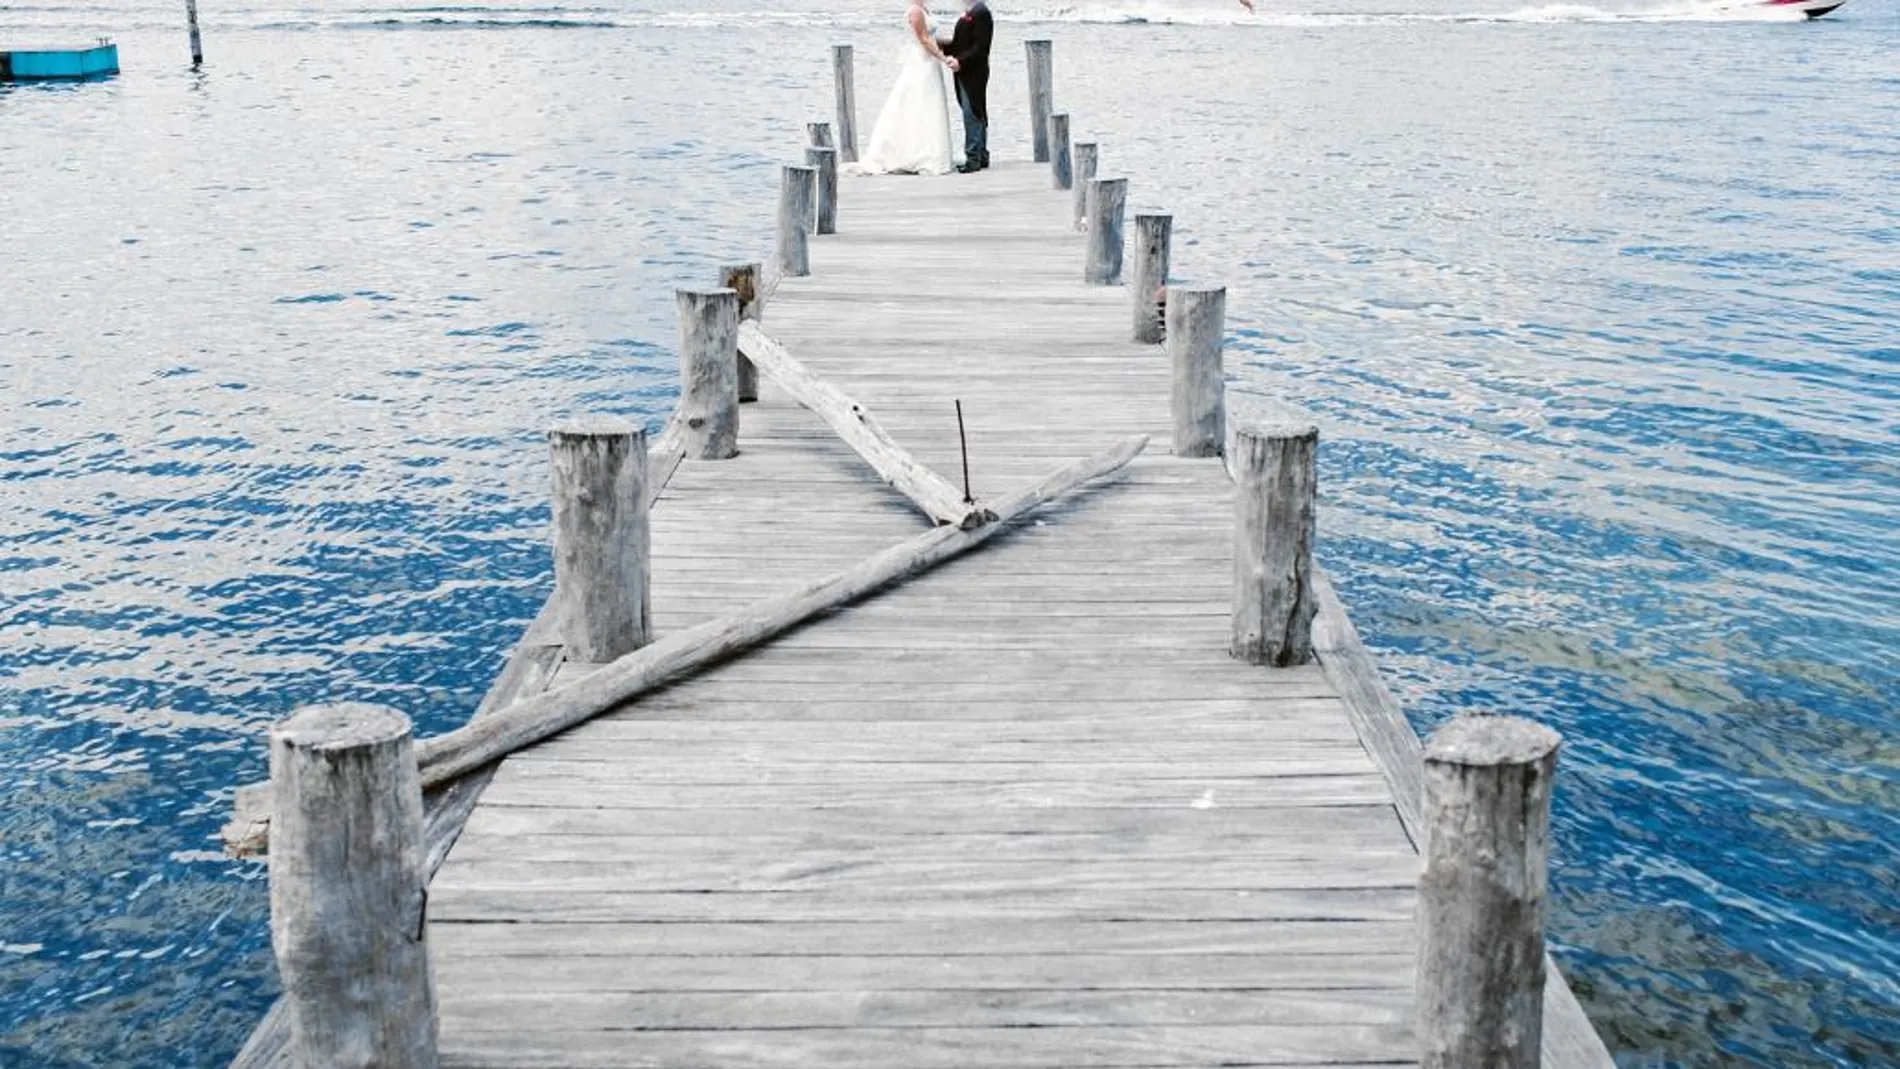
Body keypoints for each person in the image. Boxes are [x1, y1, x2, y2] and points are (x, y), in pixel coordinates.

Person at [849, 1, 958, 175]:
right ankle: (913, 154)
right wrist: (943, 58)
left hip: (929, 62)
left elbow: (932, 37)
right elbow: (923, 39)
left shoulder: (924, 9)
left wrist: (956, 41)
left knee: (929, 105)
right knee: (917, 101)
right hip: (921, 61)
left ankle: (927, 150)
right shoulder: (915, 11)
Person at [940, 0, 994, 173]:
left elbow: (980, 47)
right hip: (966, 70)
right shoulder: (971, 11)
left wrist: (960, 61)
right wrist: (942, 46)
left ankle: (973, 159)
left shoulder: (981, 13)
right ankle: (981, 155)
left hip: (974, 71)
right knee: (976, 110)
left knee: (972, 112)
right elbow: (962, 43)